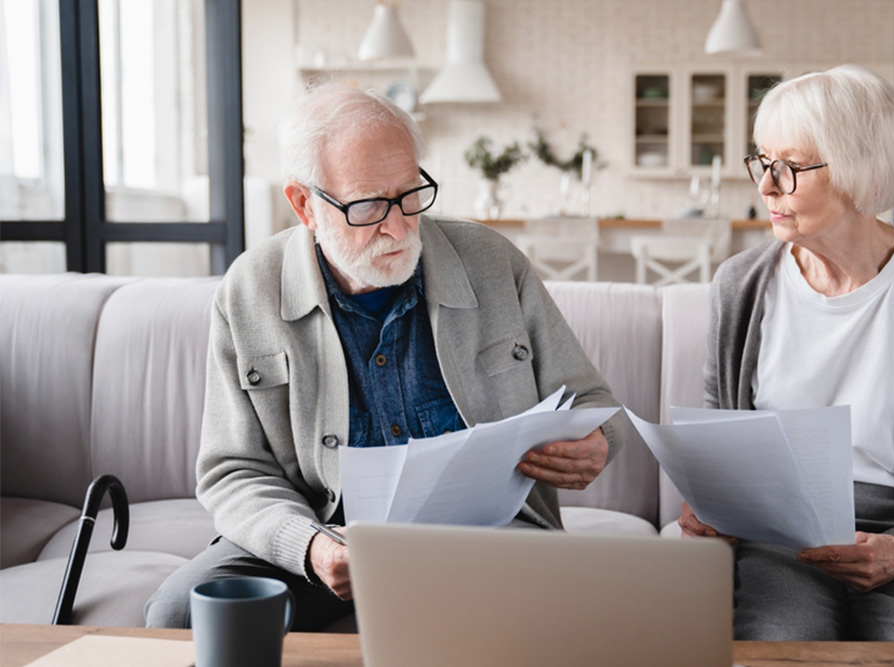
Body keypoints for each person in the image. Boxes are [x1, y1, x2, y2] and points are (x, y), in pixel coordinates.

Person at [145, 83, 625, 630]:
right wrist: (311, 547)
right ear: (305, 204)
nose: (398, 226)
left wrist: (597, 445)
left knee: (572, 613)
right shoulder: (248, 291)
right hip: (325, 538)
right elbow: (233, 470)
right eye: (369, 205)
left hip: (488, 538)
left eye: (409, 193)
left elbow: (594, 404)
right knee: (179, 614)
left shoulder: (493, 263)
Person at [678, 65, 894, 641]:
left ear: (860, 169)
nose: (765, 186)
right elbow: (720, 436)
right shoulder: (740, 286)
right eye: (762, 160)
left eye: (789, 167)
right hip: (776, 540)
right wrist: (711, 504)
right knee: (777, 646)